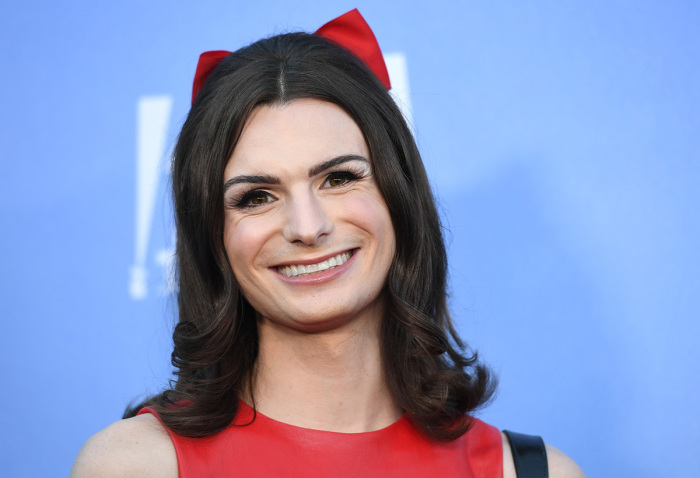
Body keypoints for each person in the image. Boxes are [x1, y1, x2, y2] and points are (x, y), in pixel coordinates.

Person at [72, 9, 584, 478]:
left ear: (398, 196)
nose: (307, 225)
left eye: (338, 178)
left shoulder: (535, 472)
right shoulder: (136, 465)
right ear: (213, 235)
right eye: (256, 196)